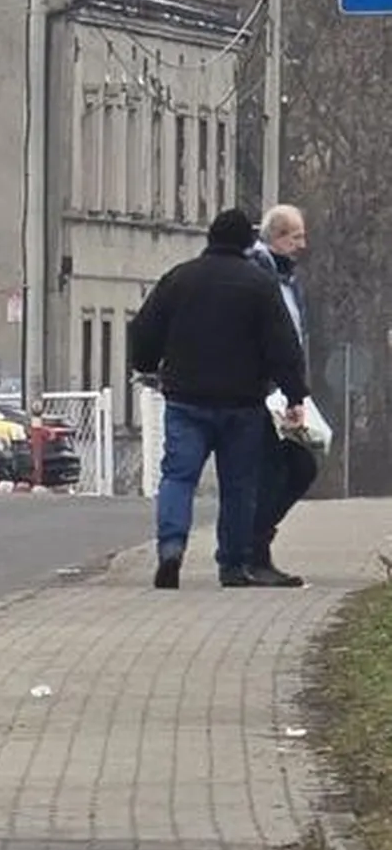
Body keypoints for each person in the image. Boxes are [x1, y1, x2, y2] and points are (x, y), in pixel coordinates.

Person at [128, 205, 309, 590]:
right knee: (239, 485)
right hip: (241, 403)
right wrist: (295, 394)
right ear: (247, 242)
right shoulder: (259, 286)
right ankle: (233, 564)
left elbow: (143, 330)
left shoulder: (180, 279)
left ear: (210, 238)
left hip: (185, 400)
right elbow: (282, 345)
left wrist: (146, 363)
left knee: (178, 477)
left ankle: (171, 549)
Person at [245, 204, 316, 587]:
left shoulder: (290, 280)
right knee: (273, 471)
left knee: (299, 466)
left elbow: (295, 338)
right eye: (296, 236)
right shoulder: (259, 274)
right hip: (259, 393)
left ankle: (256, 543)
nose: (302, 245)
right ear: (276, 237)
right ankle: (252, 550)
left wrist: (297, 393)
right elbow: (271, 338)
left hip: (282, 393)